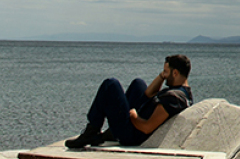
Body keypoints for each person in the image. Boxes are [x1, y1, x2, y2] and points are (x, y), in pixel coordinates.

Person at [65, 54, 194, 148]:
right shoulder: (183, 91)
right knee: (138, 83)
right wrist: (162, 75)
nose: (164, 76)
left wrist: (133, 116)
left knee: (111, 85)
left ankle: (91, 131)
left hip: (131, 135)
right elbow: (149, 93)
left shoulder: (173, 98)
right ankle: (109, 132)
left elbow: (147, 128)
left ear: (175, 73)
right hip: (135, 125)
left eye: (166, 72)